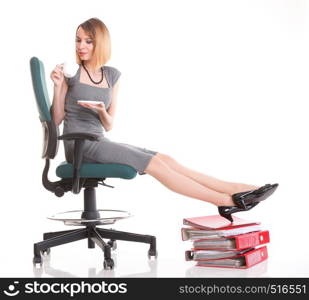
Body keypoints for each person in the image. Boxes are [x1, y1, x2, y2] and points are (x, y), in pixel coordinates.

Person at [50, 17, 278, 222]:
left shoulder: (112, 75)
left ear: (100, 43)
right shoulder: (72, 76)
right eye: (78, 40)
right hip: (79, 146)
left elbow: (109, 125)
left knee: (165, 159)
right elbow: (57, 119)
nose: (81, 46)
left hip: (99, 140)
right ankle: (226, 201)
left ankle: (237, 189)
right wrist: (58, 86)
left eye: (88, 41)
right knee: (155, 165)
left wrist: (101, 110)